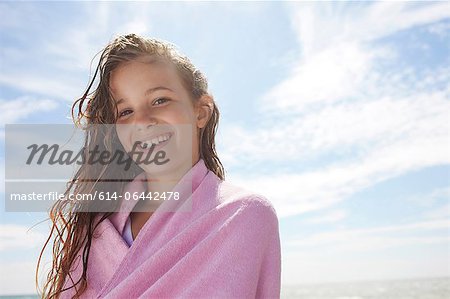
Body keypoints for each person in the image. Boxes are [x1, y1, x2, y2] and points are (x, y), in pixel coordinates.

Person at [37, 33, 281, 298]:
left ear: (201, 111)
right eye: (126, 112)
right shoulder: (94, 228)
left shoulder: (243, 216)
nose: (142, 121)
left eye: (159, 100)